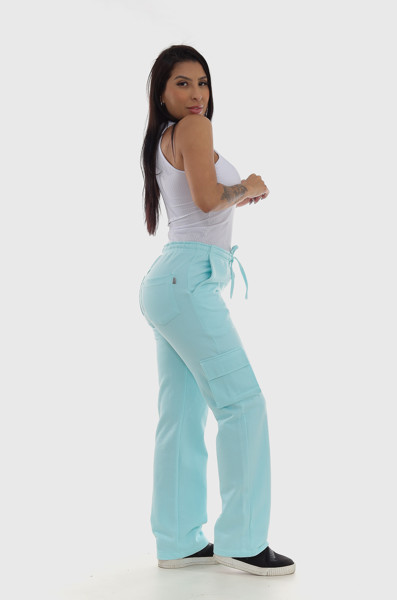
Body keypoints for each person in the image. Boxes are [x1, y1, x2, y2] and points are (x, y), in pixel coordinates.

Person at [139, 44, 295, 577]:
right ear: (162, 93)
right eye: (182, 83)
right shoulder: (192, 128)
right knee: (243, 403)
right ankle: (244, 541)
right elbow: (208, 200)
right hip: (188, 282)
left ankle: (179, 540)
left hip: (170, 282)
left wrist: (236, 195)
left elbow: (200, 202)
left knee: (182, 413)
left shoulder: (165, 138)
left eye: (202, 82)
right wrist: (246, 186)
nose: (196, 94)